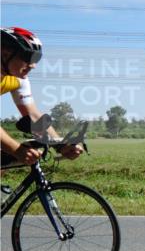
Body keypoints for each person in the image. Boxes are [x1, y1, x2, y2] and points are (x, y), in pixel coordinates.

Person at [1, 27, 83, 168]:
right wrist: (17, 150)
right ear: (5, 53)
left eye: (36, 59)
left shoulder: (18, 79)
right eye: (28, 57)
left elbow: (32, 115)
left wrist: (60, 144)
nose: (33, 65)